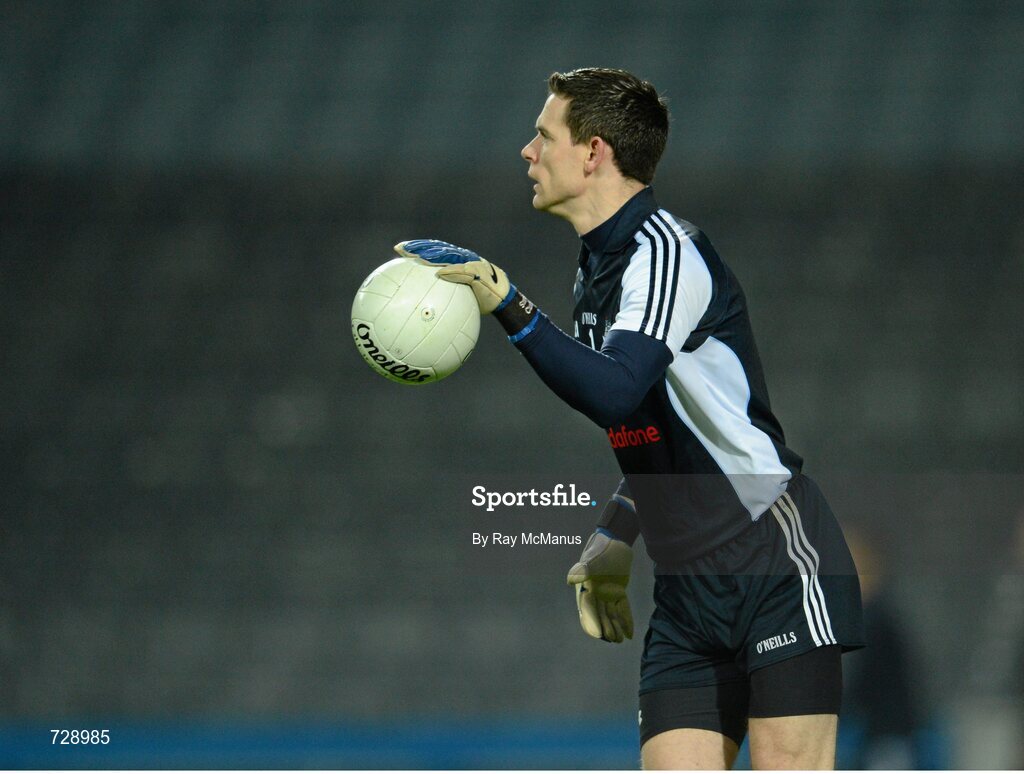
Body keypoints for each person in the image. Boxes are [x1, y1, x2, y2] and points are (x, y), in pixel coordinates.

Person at [394, 67, 864, 770]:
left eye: (543, 135)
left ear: (593, 153)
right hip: (684, 588)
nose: (528, 152)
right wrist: (616, 533)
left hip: (771, 561)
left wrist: (506, 301)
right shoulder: (597, 268)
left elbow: (614, 394)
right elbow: (651, 425)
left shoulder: (665, 254)